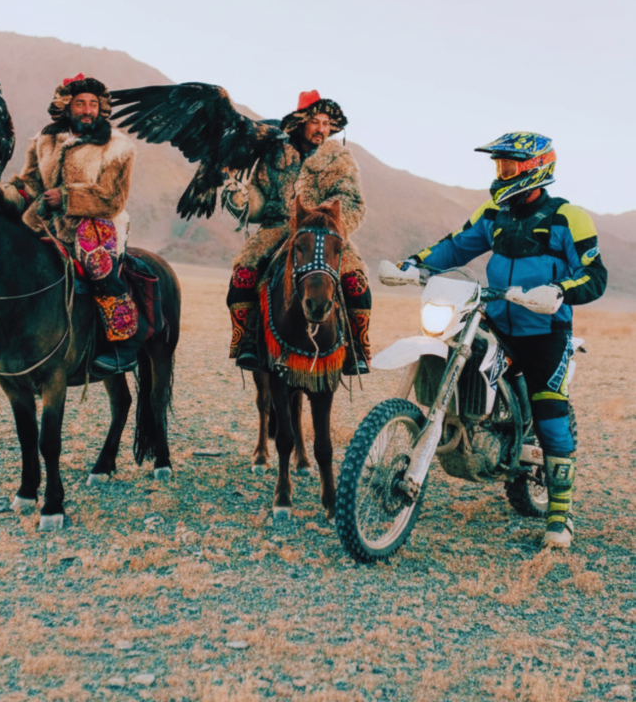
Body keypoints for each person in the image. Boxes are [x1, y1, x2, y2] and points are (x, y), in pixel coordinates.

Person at [401, 132, 607, 549]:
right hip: (495, 321)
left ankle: (560, 514)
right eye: (499, 166)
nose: (502, 173)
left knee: (550, 413)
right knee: (456, 360)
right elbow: (458, 246)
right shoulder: (494, 212)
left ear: (535, 168)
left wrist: (560, 291)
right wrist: (415, 263)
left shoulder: (568, 217)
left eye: (509, 166)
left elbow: (595, 274)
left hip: (545, 332)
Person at [224, 90, 371, 377]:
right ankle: (248, 341)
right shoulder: (275, 152)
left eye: (326, 123)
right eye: (315, 121)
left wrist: (326, 220)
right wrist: (243, 200)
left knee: (356, 281)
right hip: (278, 227)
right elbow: (260, 194)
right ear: (301, 122)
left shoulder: (340, 159)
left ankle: (356, 348)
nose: (321, 129)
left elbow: (353, 202)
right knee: (243, 272)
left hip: (324, 231)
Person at [0, 73, 139, 374]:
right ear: (67, 107)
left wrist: (66, 197)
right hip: (45, 220)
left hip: (98, 221)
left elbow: (113, 199)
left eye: (93, 104)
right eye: (80, 103)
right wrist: (3, 194)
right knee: (5, 257)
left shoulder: (117, 146)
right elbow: (30, 183)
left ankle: (123, 344)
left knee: (98, 263)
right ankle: (0, 341)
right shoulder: (44, 141)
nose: (88, 110)